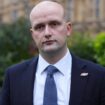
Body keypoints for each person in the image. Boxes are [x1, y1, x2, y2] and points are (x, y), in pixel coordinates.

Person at [1, 0, 105, 105]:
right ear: (32, 35)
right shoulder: (14, 77)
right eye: (39, 27)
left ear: (68, 29)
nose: (47, 33)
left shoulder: (98, 76)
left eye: (54, 24)